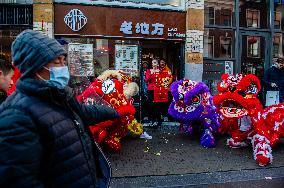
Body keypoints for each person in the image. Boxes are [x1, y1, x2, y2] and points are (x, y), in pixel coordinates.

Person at [0, 30, 119, 188]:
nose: (63, 68)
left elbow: (84, 113)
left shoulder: (59, 96)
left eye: (64, 61)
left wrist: (116, 111)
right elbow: (19, 180)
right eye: (57, 62)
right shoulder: (17, 115)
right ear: (35, 67)